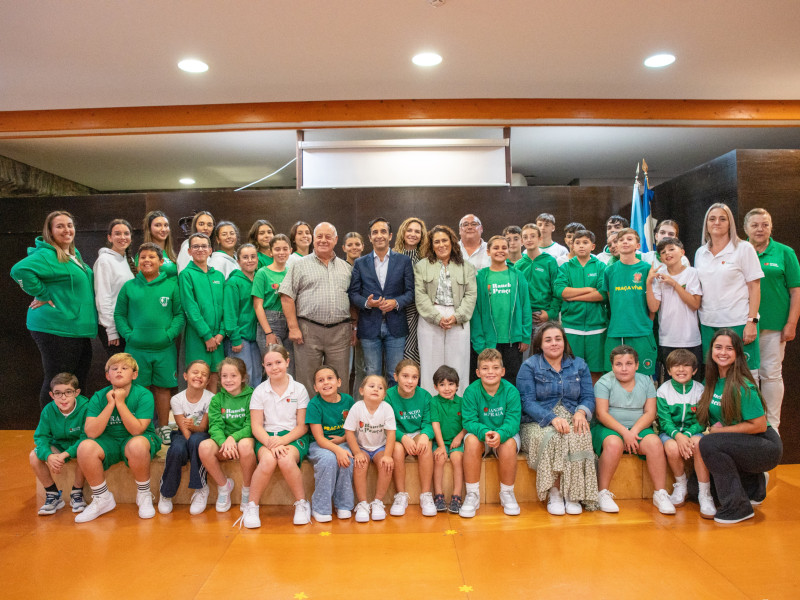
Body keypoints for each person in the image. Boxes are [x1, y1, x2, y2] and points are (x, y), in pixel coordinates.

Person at [11, 210, 97, 409]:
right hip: (55, 327)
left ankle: (74, 430)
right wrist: (42, 293)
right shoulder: (46, 254)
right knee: (58, 382)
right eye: (60, 226)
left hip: (76, 328)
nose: (66, 230)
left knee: (76, 382)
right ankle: (50, 435)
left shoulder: (73, 255)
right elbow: (19, 270)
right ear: (50, 231)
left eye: (69, 225)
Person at [696, 329, 782, 524]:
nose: (723, 352)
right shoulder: (711, 382)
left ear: (737, 354)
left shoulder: (742, 385)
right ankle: (754, 488)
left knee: (709, 444)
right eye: (718, 347)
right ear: (711, 351)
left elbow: (759, 425)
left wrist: (719, 432)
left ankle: (738, 508)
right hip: (741, 442)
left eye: (729, 348)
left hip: (765, 445)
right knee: (695, 490)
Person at [517, 322, 598, 515]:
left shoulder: (579, 364)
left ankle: (573, 493)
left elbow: (588, 396)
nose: (554, 343)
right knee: (553, 438)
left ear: (564, 342)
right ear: (540, 344)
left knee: (580, 435)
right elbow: (526, 401)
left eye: (558, 339)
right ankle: (554, 492)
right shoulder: (529, 366)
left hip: (572, 415)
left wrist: (581, 412)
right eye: (548, 340)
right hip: (537, 420)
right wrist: (552, 418)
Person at [75, 353, 162, 522]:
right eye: (114, 369)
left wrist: (120, 403)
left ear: (134, 374)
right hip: (109, 441)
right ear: (108, 376)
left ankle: (143, 495)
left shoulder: (144, 394)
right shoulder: (99, 396)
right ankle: (102, 498)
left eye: (124, 368)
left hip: (139, 438)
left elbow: (137, 430)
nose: (119, 371)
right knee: (85, 447)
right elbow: (91, 433)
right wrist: (110, 405)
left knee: (137, 444)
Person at [115, 242, 185, 444]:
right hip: (136, 349)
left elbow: (179, 315)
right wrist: (130, 335)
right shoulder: (129, 286)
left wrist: (169, 335)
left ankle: (163, 427)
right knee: (138, 388)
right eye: (143, 257)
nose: (147, 260)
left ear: (161, 262)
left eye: (152, 257)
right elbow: (119, 314)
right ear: (137, 262)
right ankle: (142, 428)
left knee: (163, 389)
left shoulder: (172, 286)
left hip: (164, 349)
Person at [592, 345, 674, 515]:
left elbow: (650, 413)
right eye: (618, 364)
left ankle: (660, 493)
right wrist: (624, 433)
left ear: (637, 365)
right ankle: (602, 493)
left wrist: (633, 431)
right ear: (612, 366)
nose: (623, 368)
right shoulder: (604, 382)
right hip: (609, 427)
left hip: (638, 428)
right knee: (614, 444)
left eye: (629, 364)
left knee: (655, 443)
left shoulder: (646, 381)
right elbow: (601, 414)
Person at [240, 345, 311, 528]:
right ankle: (252, 506)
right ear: (263, 366)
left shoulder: (299, 389)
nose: (275, 367)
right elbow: (256, 426)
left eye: (278, 362)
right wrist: (272, 442)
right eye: (269, 364)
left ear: (287, 362)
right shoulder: (259, 391)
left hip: (293, 436)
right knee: (268, 461)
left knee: (286, 460)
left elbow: (302, 426)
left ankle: (302, 504)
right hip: (267, 437)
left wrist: (282, 441)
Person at [744, 208, 800, 432]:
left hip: (774, 327)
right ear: (746, 228)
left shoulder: (785, 253)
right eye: (755, 225)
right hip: (744, 326)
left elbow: (796, 291)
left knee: (771, 375)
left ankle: (772, 427)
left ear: (771, 227)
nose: (760, 229)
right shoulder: (740, 251)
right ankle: (750, 423)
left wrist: (791, 323)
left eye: (765, 225)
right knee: (748, 377)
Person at [280, 222, 353, 394]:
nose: (323, 240)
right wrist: (293, 328)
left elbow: (353, 299)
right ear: (313, 239)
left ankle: (338, 418)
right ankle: (308, 420)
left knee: (340, 378)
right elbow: (286, 296)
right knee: (307, 379)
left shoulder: (346, 268)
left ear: (335, 240)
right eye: (319, 236)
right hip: (307, 331)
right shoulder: (299, 265)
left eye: (328, 237)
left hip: (340, 332)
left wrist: (354, 326)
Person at [695, 202, 763, 376]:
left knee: (745, 375)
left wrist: (751, 322)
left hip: (738, 322)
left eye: (722, 219)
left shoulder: (744, 248)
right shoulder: (700, 253)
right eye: (712, 219)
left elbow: (754, 287)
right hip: (709, 323)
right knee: (715, 374)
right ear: (706, 224)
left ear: (730, 223)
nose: (717, 222)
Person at [348, 218, 414, 388]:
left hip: (396, 326)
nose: (379, 236)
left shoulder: (403, 261)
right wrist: (367, 303)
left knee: (395, 375)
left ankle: (391, 413)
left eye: (383, 232)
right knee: (372, 375)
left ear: (390, 235)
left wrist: (395, 302)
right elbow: (353, 294)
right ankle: (374, 413)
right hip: (370, 326)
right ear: (369, 237)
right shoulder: (360, 263)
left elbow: (411, 293)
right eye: (375, 232)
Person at [414, 225, 477, 396]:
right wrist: (436, 317)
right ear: (431, 245)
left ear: (452, 242)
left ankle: (458, 409)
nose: (441, 245)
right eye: (437, 242)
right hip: (430, 319)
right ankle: (431, 408)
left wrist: (458, 317)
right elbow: (420, 295)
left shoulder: (467, 267)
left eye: (444, 240)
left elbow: (471, 295)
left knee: (458, 365)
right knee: (430, 365)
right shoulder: (422, 266)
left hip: (458, 319)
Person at [459, 348, 522, 518]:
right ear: (478, 372)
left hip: (504, 434)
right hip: (481, 435)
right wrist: (485, 432)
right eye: (485, 368)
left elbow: (513, 421)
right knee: (471, 441)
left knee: (509, 444)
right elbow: (469, 421)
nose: (490, 372)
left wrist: (501, 434)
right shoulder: (471, 391)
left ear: (502, 371)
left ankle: (507, 493)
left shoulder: (511, 391)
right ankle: (473, 494)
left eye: (495, 368)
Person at [655, 349, 714, 517]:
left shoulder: (700, 389)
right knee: (672, 448)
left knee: (699, 444)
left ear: (694, 370)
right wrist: (678, 436)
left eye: (686, 366)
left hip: (692, 433)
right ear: (668, 370)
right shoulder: (663, 391)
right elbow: (664, 421)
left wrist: (686, 435)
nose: (681, 370)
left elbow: (701, 421)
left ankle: (705, 493)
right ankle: (681, 485)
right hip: (671, 433)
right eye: (676, 366)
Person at [197, 357, 256, 514]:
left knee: (244, 445)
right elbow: (215, 426)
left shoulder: (252, 397)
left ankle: (247, 489)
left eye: (233, 376)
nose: (228, 380)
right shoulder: (216, 399)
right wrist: (224, 442)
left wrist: (232, 438)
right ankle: (224, 486)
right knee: (204, 447)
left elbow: (251, 426)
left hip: (242, 441)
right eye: (224, 376)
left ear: (243, 377)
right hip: (224, 444)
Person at [470, 235, 531, 386]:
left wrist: (525, 336)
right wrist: (478, 341)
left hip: (513, 340)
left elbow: (525, 306)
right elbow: (475, 311)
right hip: (488, 340)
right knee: (487, 379)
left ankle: (510, 409)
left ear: (509, 251)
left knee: (511, 379)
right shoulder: (481, 277)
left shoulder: (517, 276)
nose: (500, 251)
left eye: (504, 248)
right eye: (496, 248)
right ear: (488, 252)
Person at [157, 360, 214, 515]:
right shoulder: (177, 399)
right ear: (185, 376)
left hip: (201, 434)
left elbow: (203, 427)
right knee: (176, 449)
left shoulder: (211, 398)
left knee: (197, 441)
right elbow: (182, 428)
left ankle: (201, 488)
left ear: (208, 381)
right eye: (195, 372)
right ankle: (166, 493)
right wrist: (189, 442)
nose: (199, 376)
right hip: (183, 433)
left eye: (204, 374)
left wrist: (193, 429)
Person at [30, 372, 89, 515]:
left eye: (68, 392)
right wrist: (49, 455)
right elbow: (41, 436)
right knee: (34, 455)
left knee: (86, 449)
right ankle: (53, 494)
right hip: (59, 446)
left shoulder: (86, 408)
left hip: (78, 446)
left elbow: (87, 436)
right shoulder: (48, 410)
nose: (63, 397)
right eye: (58, 393)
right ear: (51, 395)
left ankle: (77, 492)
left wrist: (66, 454)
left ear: (77, 393)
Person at [601, 228, 657, 376]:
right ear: (616, 246)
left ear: (638, 245)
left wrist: (647, 324)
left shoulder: (646, 269)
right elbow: (610, 300)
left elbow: (653, 307)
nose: (625, 242)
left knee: (643, 378)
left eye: (629, 239)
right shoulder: (609, 271)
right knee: (616, 377)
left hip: (641, 331)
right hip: (616, 331)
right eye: (621, 240)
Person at [554, 229, 608, 381]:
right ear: (572, 246)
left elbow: (601, 294)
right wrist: (587, 290)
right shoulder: (565, 267)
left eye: (585, 242)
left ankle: (594, 404)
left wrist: (573, 296)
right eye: (577, 243)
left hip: (597, 327)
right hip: (572, 326)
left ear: (593, 246)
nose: (581, 246)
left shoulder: (600, 267)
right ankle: (575, 404)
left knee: (596, 371)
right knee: (572, 371)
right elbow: (561, 292)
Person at [646, 237, 703, 377]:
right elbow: (653, 308)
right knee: (671, 379)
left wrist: (674, 284)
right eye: (663, 252)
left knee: (692, 378)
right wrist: (649, 282)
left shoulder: (692, 273)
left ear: (682, 252)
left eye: (671, 249)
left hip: (690, 338)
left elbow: (695, 304)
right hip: (667, 338)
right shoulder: (660, 276)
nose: (667, 253)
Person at [386, 359, 436, 517]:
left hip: (417, 433)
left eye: (414, 377)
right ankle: (401, 495)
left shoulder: (425, 396)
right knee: (396, 450)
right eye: (405, 376)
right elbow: (387, 424)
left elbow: (429, 422)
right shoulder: (388, 396)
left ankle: (426, 495)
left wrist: (425, 435)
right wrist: (402, 437)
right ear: (396, 377)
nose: (410, 381)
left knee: (425, 447)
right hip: (395, 434)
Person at [305, 365, 356, 522]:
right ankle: (321, 507)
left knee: (348, 458)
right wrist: (336, 449)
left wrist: (341, 441)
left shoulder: (348, 400)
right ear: (315, 387)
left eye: (330, 378)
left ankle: (344, 504)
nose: (325, 383)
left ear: (339, 382)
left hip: (343, 441)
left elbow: (352, 430)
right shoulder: (314, 404)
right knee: (329, 459)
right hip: (319, 445)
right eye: (320, 380)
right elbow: (319, 438)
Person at [344, 374, 396, 523]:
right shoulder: (357, 407)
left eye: (380, 388)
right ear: (361, 390)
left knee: (386, 465)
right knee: (360, 464)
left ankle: (378, 502)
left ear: (384, 394)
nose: (375, 389)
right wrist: (357, 453)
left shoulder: (386, 408)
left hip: (380, 447)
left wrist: (387, 455)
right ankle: (362, 503)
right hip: (362, 447)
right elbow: (349, 432)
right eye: (371, 386)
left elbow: (391, 433)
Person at [179, 232, 225, 392]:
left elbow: (225, 307)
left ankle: (211, 417)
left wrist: (221, 333)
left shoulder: (218, 275)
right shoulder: (186, 274)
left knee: (215, 379)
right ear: (189, 251)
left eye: (204, 246)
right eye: (196, 246)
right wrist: (207, 336)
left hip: (218, 339)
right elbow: (190, 309)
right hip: (198, 337)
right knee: (198, 379)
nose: (200, 249)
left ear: (211, 250)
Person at [93, 218, 135, 355]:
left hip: (127, 324)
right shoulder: (104, 261)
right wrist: (111, 330)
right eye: (117, 234)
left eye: (126, 233)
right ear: (109, 237)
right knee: (119, 371)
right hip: (111, 327)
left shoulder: (129, 261)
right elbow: (103, 298)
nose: (122, 237)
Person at [253, 234, 294, 371]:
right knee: (274, 367)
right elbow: (258, 305)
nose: (281, 252)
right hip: (270, 322)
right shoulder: (262, 273)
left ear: (290, 250)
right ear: (271, 251)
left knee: (289, 367)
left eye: (284, 249)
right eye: (277, 249)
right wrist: (268, 333)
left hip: (290, 322)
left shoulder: (292, 272)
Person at [223, 243, 261, 387]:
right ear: (238, 261)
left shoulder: (259, 279)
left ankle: (255, 408)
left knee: (257, 373)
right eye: (245, 257)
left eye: (253, 257)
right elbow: (229, 312)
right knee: (244, 374)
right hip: (240, 338)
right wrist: (235, 338)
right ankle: (243, 408)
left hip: (255, 337)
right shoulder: (233, 282)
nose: (249, 260)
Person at [430, 365, 466, 514]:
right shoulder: (434, 401)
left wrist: (459, 436)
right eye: (442, 384)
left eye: (451, 384)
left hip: (457, 442)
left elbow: (468, 423)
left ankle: (457, 496)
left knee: (457, 458)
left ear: (457, 386)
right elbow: (435, 424)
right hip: (440, 441)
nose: (447, 388)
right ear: (435, 387)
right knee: (439, 458)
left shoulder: (462, 402)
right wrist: (440, 446)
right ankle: (438, 495)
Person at [514, 223, 560, 337]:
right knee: (525, 353)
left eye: (532, 236)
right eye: (525, 237)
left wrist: (550, 314)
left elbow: (557, 291)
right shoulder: (518, 265)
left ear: (539, 238)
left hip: (545, 316)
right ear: (521, 241)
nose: (529, 240)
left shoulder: (550, 262)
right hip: (525, 316)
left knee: (545, 352)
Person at [394, 217, 428, 363]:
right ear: (403, 232)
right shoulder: (392, 256)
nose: (413, 234)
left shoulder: (426, 258)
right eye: (409, 230)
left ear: (422, 235)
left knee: (414, 349)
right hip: (396, 312)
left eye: (417, 231)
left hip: (417, 312)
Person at [341, 231, 366, 396]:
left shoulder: (368, 266)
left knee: (361, 367)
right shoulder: (340, 268)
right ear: (343, 247)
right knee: (345, 368)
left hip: (365, 322)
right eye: (350, 244)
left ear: (363, 246)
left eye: (357, 244)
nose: (354, 247)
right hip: (344, 323)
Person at [141, 210, 178, 278]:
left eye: (166, 225)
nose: (163, 229)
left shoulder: (171, 254)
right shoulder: (143, 255)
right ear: (149, 229)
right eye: (158, 225)